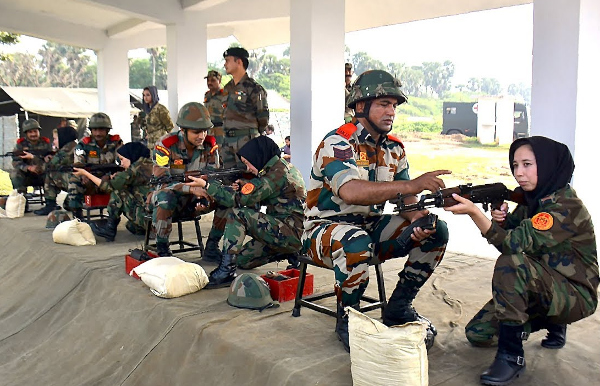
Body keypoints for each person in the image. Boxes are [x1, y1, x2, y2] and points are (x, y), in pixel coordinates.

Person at [302, 69, 451, 353]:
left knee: (436, 229)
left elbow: (405, 198)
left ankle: (398, 307)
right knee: (355, 240)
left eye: (394, 105)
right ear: (361, 106)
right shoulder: (338, 142)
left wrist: (416, 215)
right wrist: (414, 184)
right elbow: (351, 191)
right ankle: (350, 318)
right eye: (383, 104)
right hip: (322, 231)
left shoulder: (395, 149)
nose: (391, 111)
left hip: (369, 226)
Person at [444, 136, 598, 386]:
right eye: (515, 165)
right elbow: (512, 232)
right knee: (477, 333)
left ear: (548, 164)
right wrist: (500, 220)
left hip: (576, 294)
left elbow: (511, 245)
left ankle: (511, 355)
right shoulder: (535, 200)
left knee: (510, 264)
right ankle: (552, 320)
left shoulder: (564, 207)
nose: (519, 173)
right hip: (546, 285)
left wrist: (475, 213)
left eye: (527, 164)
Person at [185, 136, 306, 289]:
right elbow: (261, 193)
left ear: (258, 157)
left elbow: (238, 200)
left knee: (237, 214)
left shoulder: (277, 174)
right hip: (284, 230)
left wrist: (207, 186)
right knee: (243, 259)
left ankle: (226, 272)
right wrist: (246, 185)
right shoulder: (279, 168)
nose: (248, 168)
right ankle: (288, 252)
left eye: (248, 163)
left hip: (289, 233)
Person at [149, 102, 221, 257]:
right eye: (196, 132)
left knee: (227, 198)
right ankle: (162, 248)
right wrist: (191, 188)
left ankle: (212, 247)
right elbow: (162, 182)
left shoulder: (210, 146)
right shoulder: (165, 145)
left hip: (197, 198)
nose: (202, 136)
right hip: (169, 197)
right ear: (183, 129)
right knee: (164, 197)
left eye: (204, 131)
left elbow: (214, 177)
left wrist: (203, 197)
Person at [72, 142, 154, 241]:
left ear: (131, 156)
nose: (121, 163)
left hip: (147, 217)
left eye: (122, 159)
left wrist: (86, 174)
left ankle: (109, 228)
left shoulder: (134, 170)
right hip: (156, 218)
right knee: (130, 225)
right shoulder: (147, 165)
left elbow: (108, 187)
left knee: (118, 191)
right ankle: (149, 229)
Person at [66, 112, 123, 219]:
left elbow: (122, 164)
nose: (98, 133)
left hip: (110, 180)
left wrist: (111, 176)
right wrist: (84, 176)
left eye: (101, 130)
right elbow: (78, 165)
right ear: (91, 130)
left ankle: (114, 219)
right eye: (95, 130)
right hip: (90, 180)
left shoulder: (116, 143)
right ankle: (77, 218)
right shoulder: (84, 144)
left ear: (107, 130)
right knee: (74, 181)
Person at [221, 46, 269, 169]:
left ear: (239, 62)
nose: (225, 64)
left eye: (227, 60)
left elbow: (263, 117)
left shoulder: (253, 88)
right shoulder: (228, 88)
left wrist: (254, 136)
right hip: (227, 141)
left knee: (248, 178)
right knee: (228, 179)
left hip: (246, 140)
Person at [33, 126, 78, 216]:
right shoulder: (73, 146)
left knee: (50, 173)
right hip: (79, 181)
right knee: (68, 205)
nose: (54, 141)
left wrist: (33, 157)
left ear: (63, 138)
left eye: (55, 139)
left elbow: (47, 167)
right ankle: (74, 201)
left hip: (76, 182)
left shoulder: (66, 150)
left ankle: (50, 205)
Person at [9, 119, 53, 195]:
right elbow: (16, 162)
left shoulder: (46, 143)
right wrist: (28, 167)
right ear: (26, 133)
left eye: (35, 131)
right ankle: (21, 198)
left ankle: (50, 201)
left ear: (39, 131)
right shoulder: (21, 145)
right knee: (15, 173)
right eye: (30, 132)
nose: (33, 134)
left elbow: (52, 158)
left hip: (43, 173)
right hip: (27, 175)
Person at [143, 86, 174, 150]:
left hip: (161, 143)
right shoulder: (147, 110)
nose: (145, 97)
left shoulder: (161, 109)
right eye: (144, 95)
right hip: (150, 143)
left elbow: (169, 127)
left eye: (148, 95)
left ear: (153, 95)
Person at [203, 70, 227, 148]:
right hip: (209, 130)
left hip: (221, 130)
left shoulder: (225, 94)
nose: (209, 83)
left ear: (219, 81)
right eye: (208, 80)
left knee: (221, 153)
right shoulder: (207, 95)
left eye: (213, 80)